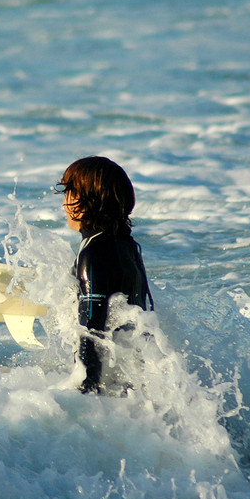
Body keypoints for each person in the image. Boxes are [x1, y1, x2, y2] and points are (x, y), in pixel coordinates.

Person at [57, 156, 154, 394]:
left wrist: (86, 389)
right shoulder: (127, 246)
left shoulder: (94, 251)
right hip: (133, 380)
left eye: (68, 192)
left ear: (84, 200)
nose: (63, 203)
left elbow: (90, 330)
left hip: (105, 388)